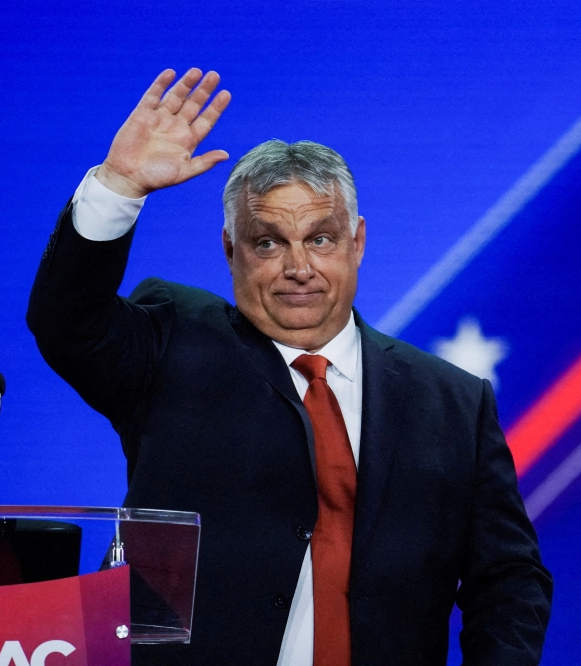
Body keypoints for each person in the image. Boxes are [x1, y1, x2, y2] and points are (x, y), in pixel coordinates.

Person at [28, 67, 552, 666]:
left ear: (357, 242)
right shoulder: (172, 343)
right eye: (269, 242)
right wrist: (119, 186)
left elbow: (508, 578)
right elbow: (65, 322)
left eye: (321, 239)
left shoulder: (453, 402)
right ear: (230, 249)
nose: (298, 267)